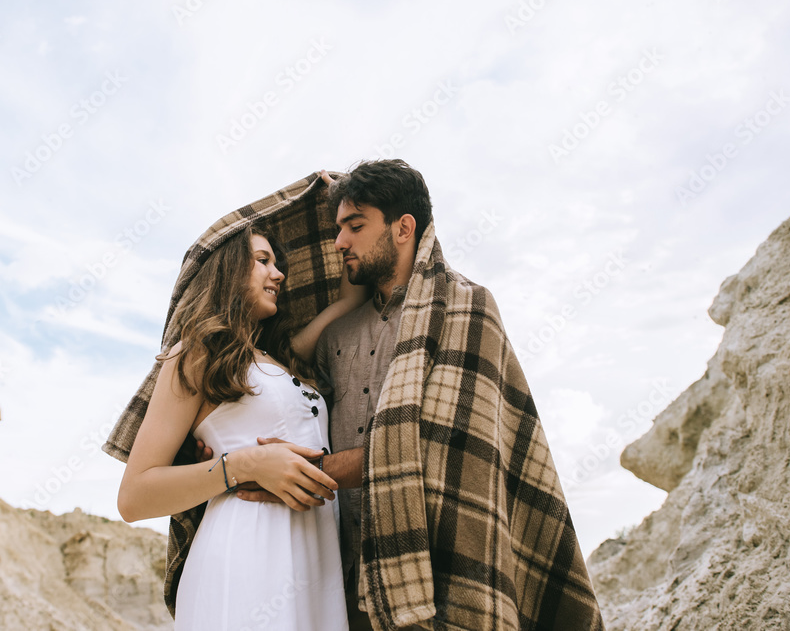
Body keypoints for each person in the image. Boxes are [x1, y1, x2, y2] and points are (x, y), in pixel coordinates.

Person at [234, 160, 605, 630]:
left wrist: (310, 471)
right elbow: (286, 396)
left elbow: (443, 446)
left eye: (355, 225)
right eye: (337, 228)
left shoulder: (467, 307)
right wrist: (227, 448)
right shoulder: (337, 334)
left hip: (441, 560)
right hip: (344, 568)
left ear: (404, 227)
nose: (339, 241)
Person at [115, 223, 366, 630]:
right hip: (247, 552)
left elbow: (352, 299)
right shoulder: (199, 352)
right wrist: (244, 466)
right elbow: (134, 496)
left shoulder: (287, 357)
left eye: (277, 263)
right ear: (228, 271)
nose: (279, 273)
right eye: (262, 261)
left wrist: (338, 197)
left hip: (316, 562)